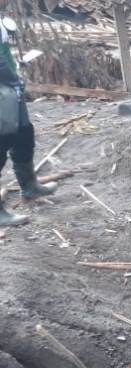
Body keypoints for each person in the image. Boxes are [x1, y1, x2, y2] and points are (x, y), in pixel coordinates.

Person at [0, 13, 56, 226]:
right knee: (1, 142)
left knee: (24, 134)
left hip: (10, 87)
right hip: (4, 87)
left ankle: (30, 186)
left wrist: (16, 72)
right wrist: (14, 78)